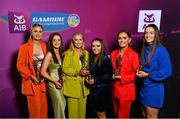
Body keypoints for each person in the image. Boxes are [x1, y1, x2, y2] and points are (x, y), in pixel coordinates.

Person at [136, 24, 172, 118]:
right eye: (146, 33)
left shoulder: (161, 50)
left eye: (151, 33)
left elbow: (167, 71)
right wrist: (139, 71)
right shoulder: (145, 49)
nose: (148, 35)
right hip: (144, 87)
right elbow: (145, 67)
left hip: (154, 88)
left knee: (151, 116)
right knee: (144, 114)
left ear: (156, 34)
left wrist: (147, 74)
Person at [16, 24, 48, 118]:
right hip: (31, 82)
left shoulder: (45, 46)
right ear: (31, 32)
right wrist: (31, 75)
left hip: (43, 82)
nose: (38, 33)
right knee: (34, 112)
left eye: (40, 31)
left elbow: (49, 63)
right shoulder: (24, 47)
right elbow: (20, 65)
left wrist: (45, 76)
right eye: (35, 31)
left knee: (44, 111)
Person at [110, 30, 140, 118]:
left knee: (123, 116)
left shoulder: (134, 55)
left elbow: (136, 75)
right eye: (119, 38)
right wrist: (110, 74)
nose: (121, 40)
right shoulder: (113, 53)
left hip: (126, 90)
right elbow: (111, 69)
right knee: (116, 115)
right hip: (115, 88)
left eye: (124, 38)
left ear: (129, 40)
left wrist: (121, 77)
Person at [62, 32, 90, 118]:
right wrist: (78, 72)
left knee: (82, 114)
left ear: (83, 41)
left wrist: (88, 72)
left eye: (80, 39)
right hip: (72, 87)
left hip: (83, 87)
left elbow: (88, 67)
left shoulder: (86, 53)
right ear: (73, 41)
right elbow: (64, 68)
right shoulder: (68, 53)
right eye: (76, 40)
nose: (78, 42)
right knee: (73, 115)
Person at [86, 38, 114, 118]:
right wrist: (88, 78)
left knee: (101, 114)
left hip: (102, 92)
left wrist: (95, 80)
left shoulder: (105, 59)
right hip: (94, 91)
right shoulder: (92, 58)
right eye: (93, 46)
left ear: (102, 47)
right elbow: (93, 73)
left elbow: (109, 76)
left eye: (98, 46)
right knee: (96, 113)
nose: (95, 48)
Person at [41, 32, 66, 118]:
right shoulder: (49, 54)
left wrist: (64, 76)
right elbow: (42, 72)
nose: (56, 42)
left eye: (58, 40)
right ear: (51, 42)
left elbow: (62, 69)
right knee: (58, 105)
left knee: (62, 105)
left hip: (62, 84)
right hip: (53, 84)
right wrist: (55, 81)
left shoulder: (62, 53)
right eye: (54, 40)